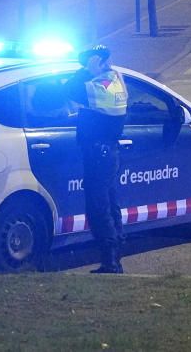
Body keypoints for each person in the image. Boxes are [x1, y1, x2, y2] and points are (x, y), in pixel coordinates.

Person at [64, 45, 128, 274]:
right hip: (107, 153)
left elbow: (71, 90)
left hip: (99, 155)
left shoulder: (102, 86)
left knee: (98, 207)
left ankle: (111, 261)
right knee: (110, 204)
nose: (85, 66)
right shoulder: (115, 79)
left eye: (88, 61)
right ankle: (114, 257)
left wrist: (85, 70)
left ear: (97, 61)